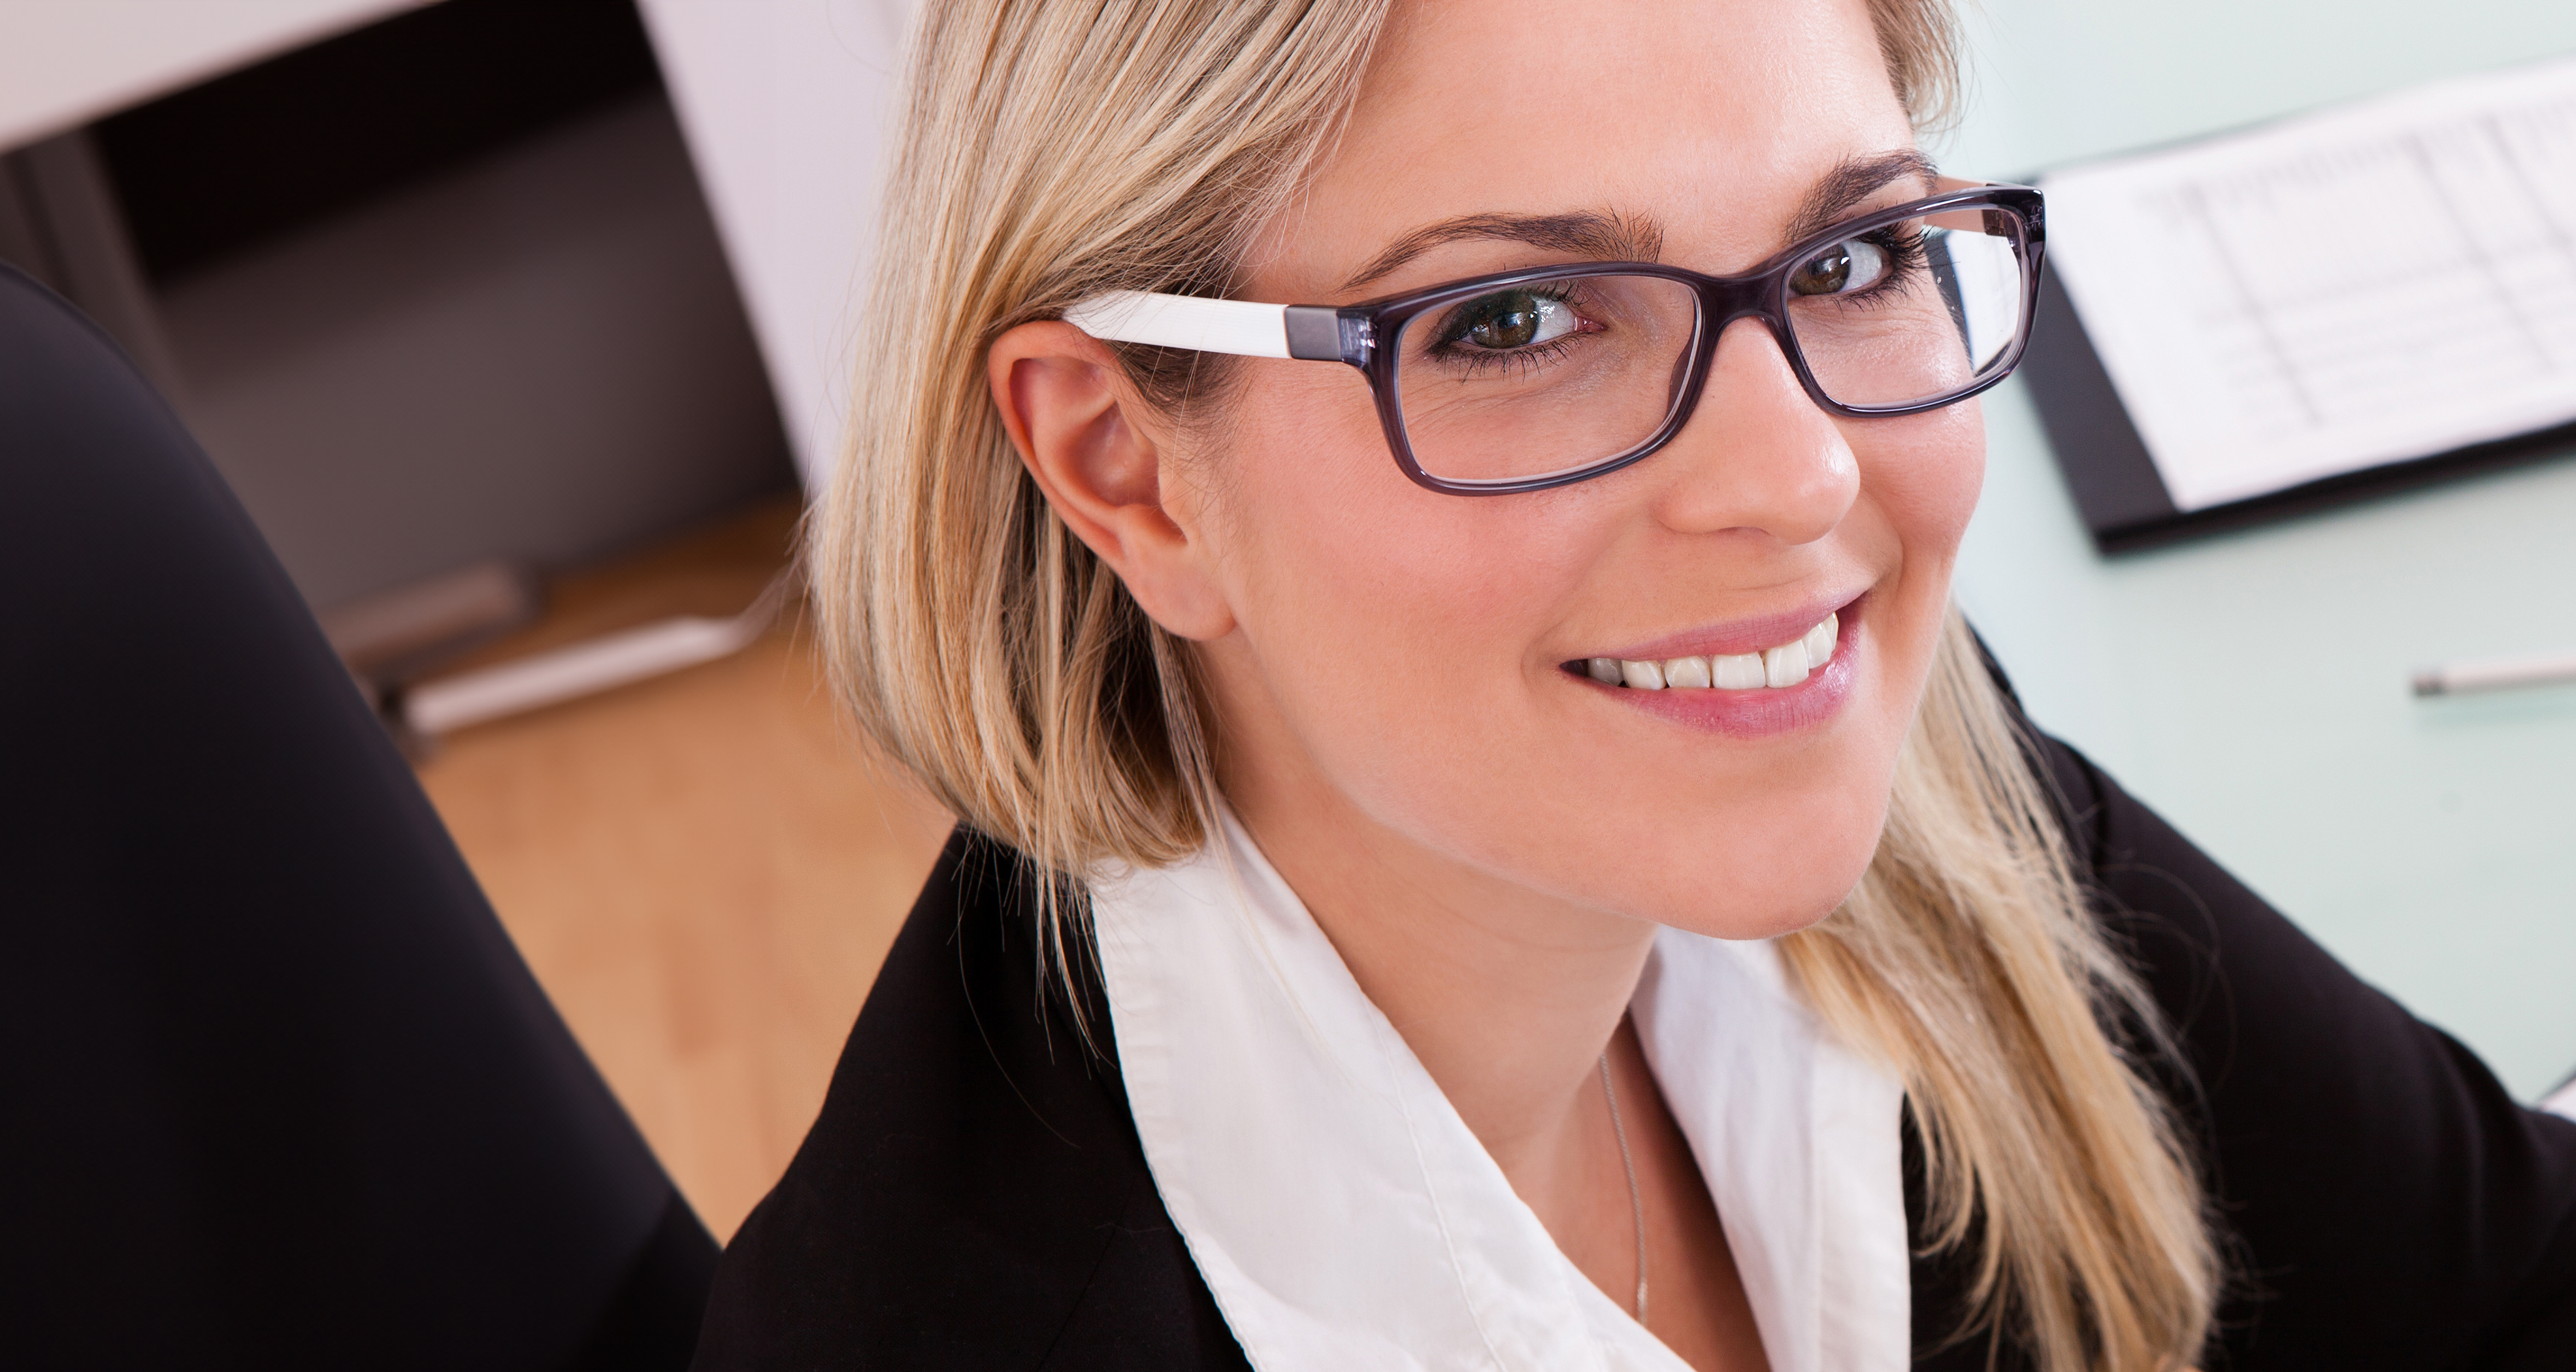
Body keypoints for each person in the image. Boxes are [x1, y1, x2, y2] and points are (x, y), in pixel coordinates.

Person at [694, 1, 2576, 1369]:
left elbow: (2502, 1276)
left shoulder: (1880, 766)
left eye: (1851, 254)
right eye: (1514, 323)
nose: (1801, 479)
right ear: (1124, 464)